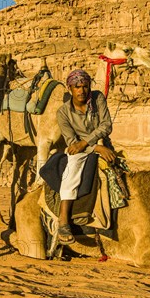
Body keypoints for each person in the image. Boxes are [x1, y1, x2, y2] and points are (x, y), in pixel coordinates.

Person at [56, 69, 116, 244]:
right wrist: (94, 147)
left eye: (84, 86)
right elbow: (72, 142)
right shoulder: (63, 113)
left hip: (100, 143)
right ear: (70, 88)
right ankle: (64, 220)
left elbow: (106, 125)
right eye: (77, 87)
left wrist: (90, 143)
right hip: (79, 150)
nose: (81, 91)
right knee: (72, 174)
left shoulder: (98, 98)